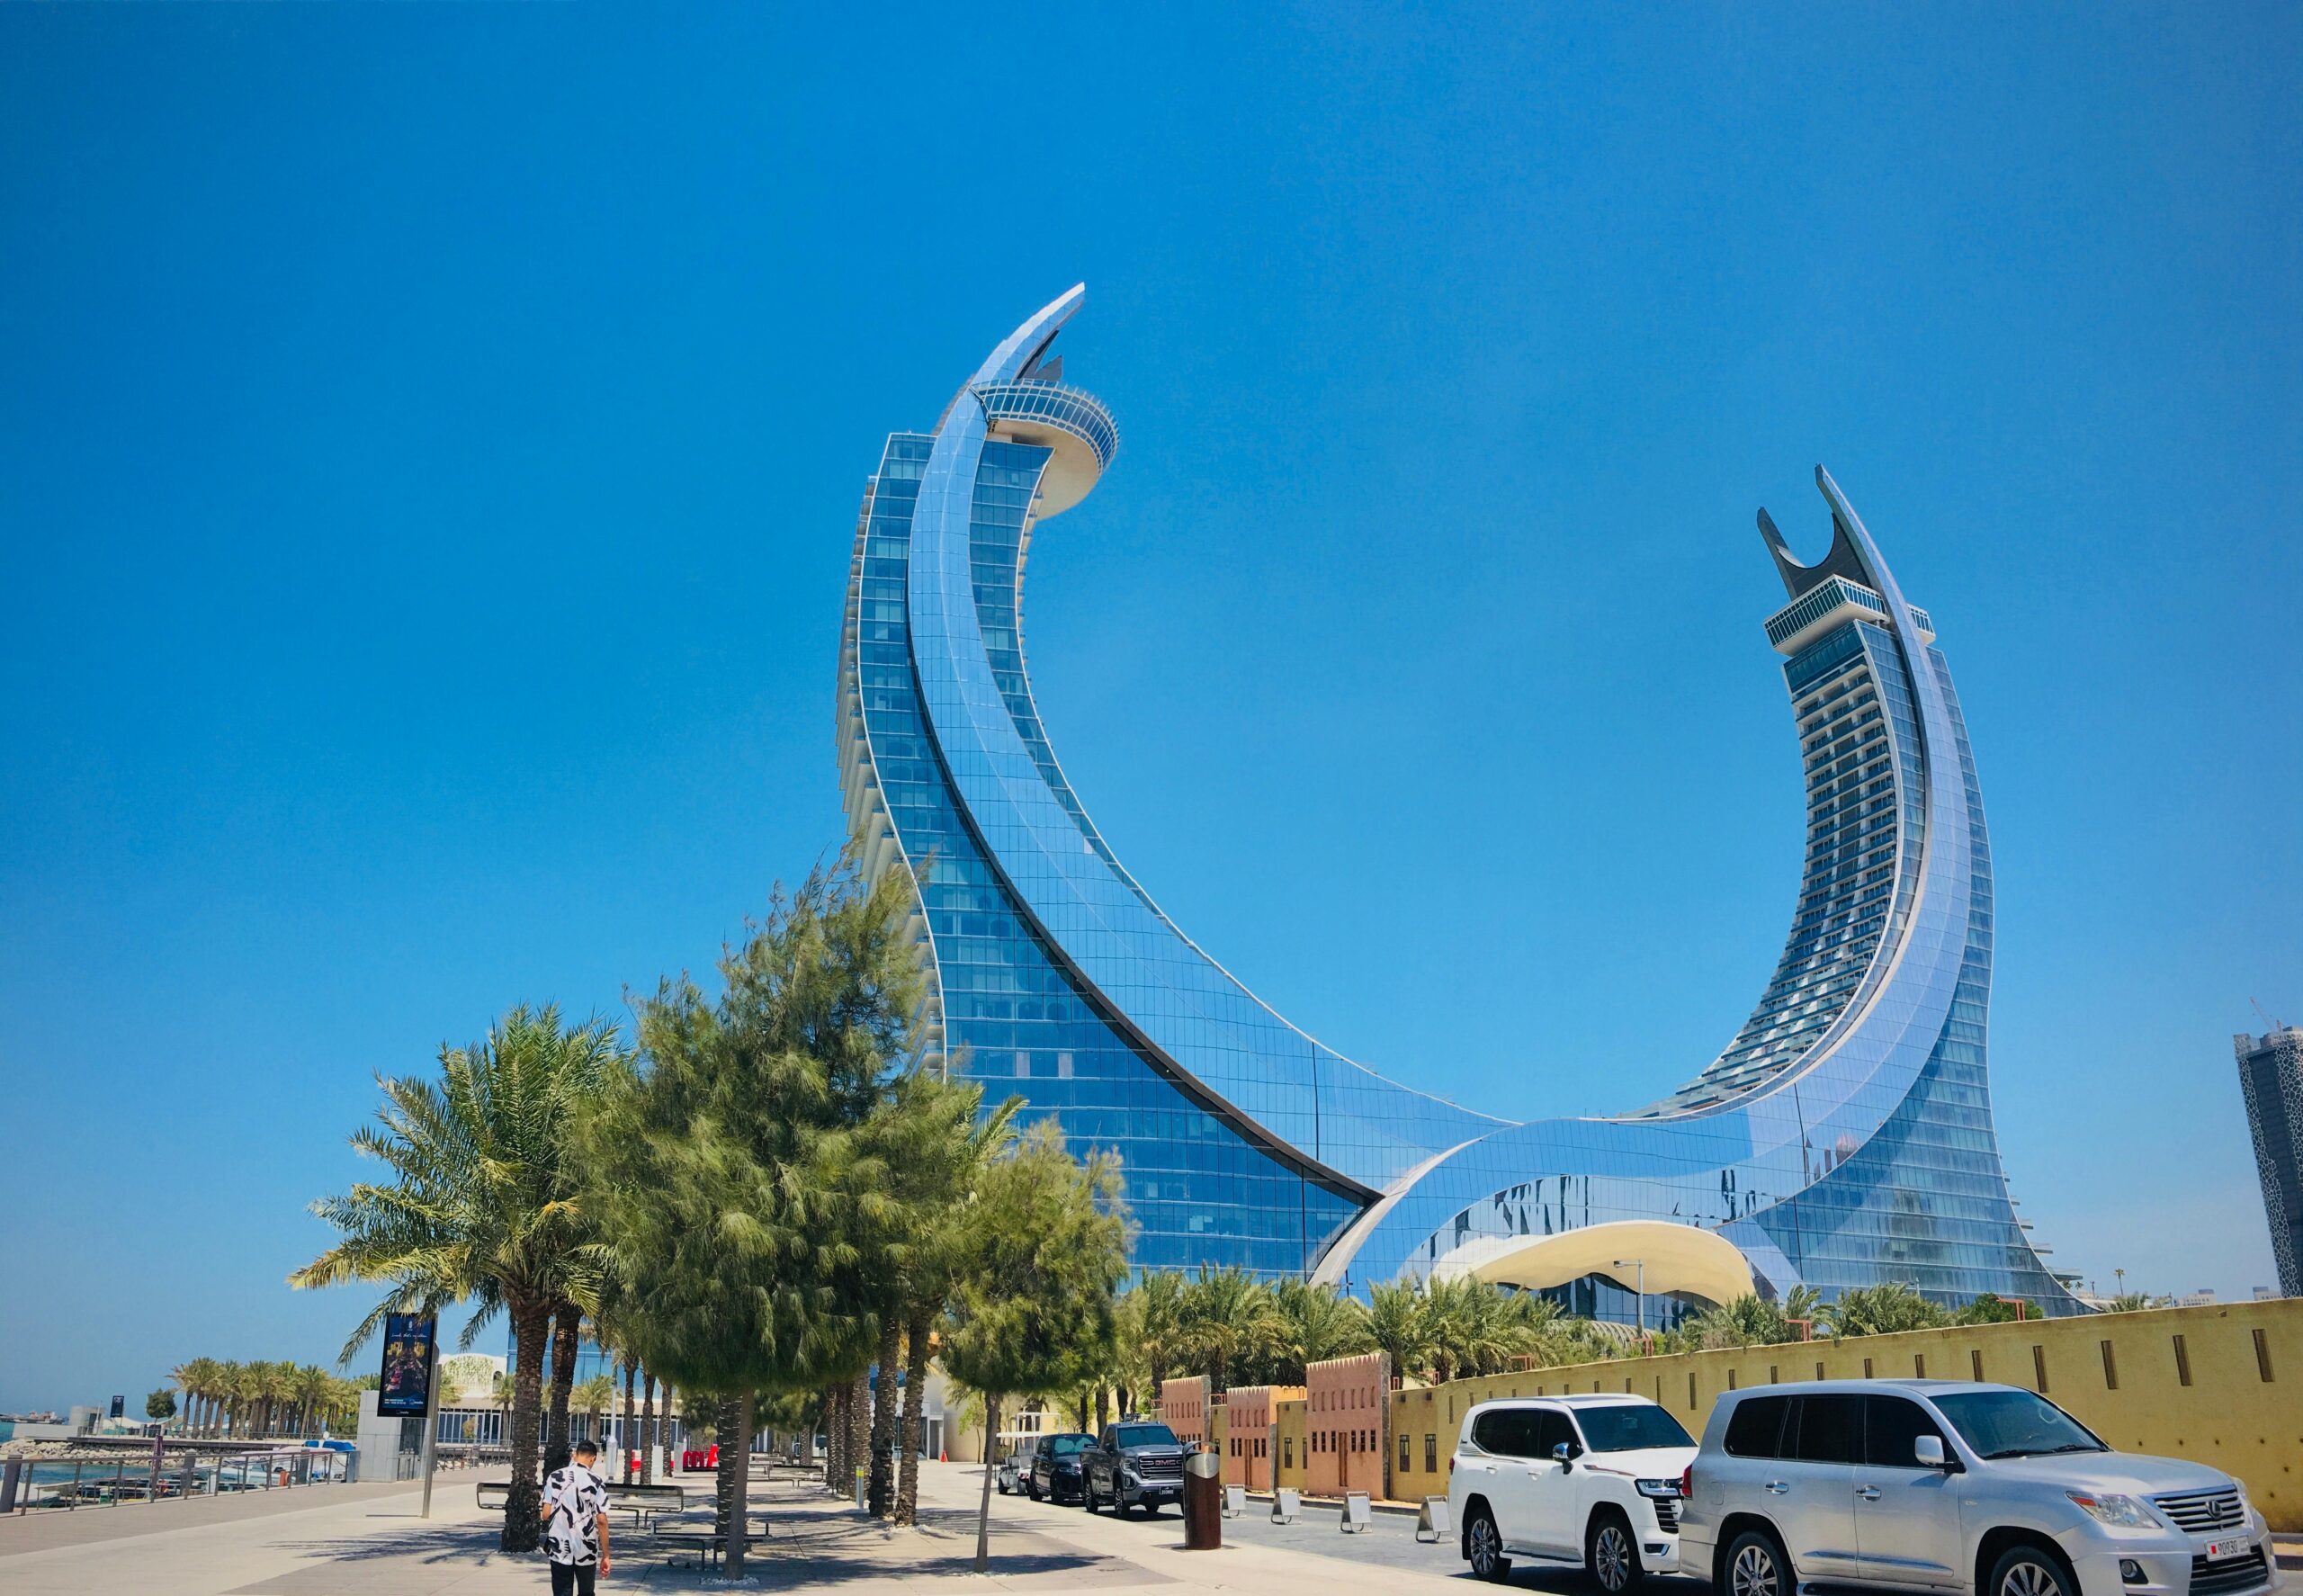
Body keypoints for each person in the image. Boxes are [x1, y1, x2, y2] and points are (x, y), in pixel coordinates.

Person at [539, 1438, 611, 1592]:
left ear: (575, 1455)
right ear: (593, 1458)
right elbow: (602, 1520)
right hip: (586, 1546)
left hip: (559, 1545)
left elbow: (545, 1514)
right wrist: (606, 1555)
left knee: (561, 1591)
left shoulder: (554, 1477)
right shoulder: (597, 1482)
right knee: (586, 1591)